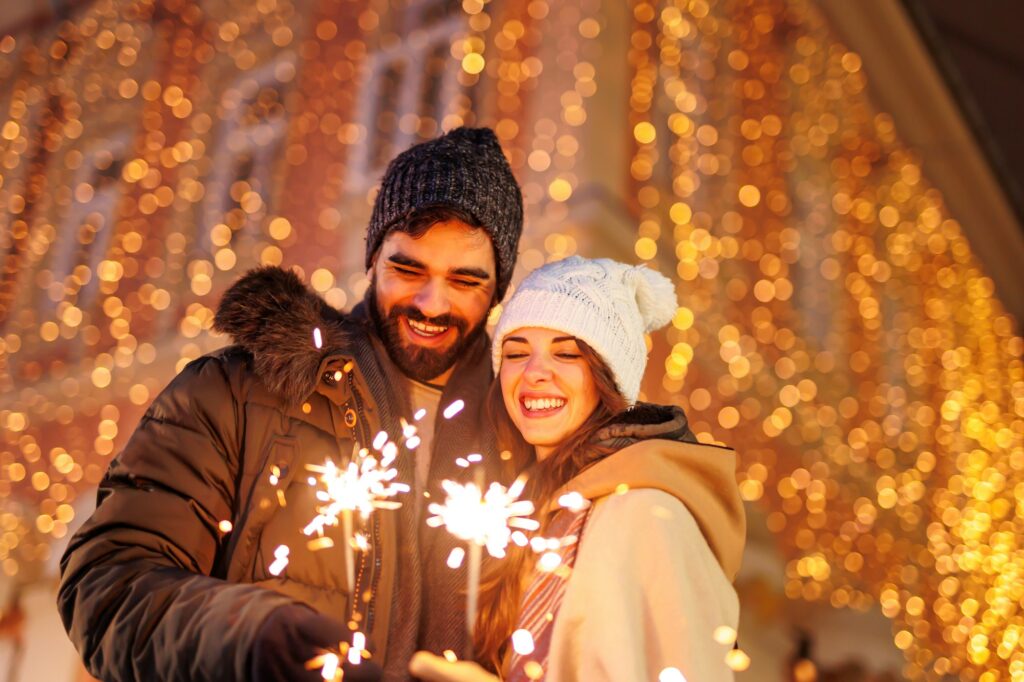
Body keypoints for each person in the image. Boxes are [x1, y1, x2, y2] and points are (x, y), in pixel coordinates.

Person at [57, 127, 524, 682]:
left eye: (465, 280)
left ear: (497, 291)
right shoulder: (237, 392)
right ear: (372, 259)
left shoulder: (525, 435)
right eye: (408, 269)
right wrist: (250, 637)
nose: (431, 302)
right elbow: (109, 581)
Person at [408, 256, 746, 681]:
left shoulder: (645, 515)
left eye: (566, 353)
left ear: (609, 378)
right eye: (516, 353)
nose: (534, 373)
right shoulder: (535, 514)